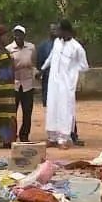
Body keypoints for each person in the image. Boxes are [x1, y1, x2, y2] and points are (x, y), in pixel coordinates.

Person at [41, 19, 89, 149]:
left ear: (66, 31)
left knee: (65, 110)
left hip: (66, 85)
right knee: (52, 109)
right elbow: (51, 57)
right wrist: (43, 69)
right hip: (53, 82)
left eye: (59, 29)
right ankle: (52, 138)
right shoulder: (57, 42)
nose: (56, 32)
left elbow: (84, 66)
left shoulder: (76, 47)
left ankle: (63, 139)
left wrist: (72, 71)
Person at [8, 24, 37, 142]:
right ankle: (11, 135)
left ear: (24, 35)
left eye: (20, 34)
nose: (18, 36)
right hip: (14, 84)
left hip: (28, 83)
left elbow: (34, 63)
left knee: (27, 111)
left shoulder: (31, 47)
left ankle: (24, 135)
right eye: (16, 34)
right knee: (12, 112)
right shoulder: (9, 49)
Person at [35, 22, 57, 107]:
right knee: (47, 101)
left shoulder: (63, 45)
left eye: (55, 29)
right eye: (52, 29)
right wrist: (40, 72)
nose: (54, 31)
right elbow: (39, 62)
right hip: (47, 76)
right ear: (49, 31)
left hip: (60, 77)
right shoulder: (43, 46)